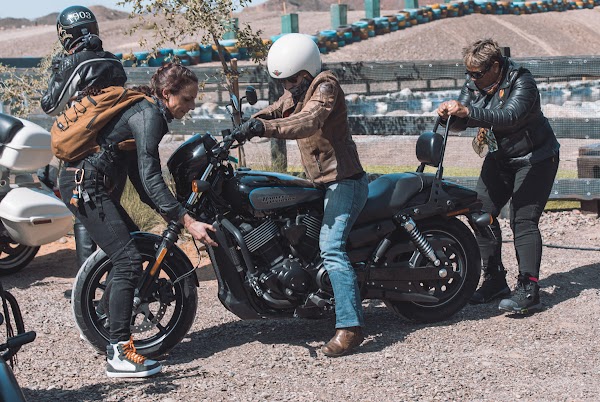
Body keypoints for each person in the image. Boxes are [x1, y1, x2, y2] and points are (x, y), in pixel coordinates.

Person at [58, 63, 218, 378]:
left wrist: (173, 217)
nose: (191, 106)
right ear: (167, 93)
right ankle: (119, 353)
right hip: (84, 186)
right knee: (128, 259)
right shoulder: (149, 117)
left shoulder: (143, 112)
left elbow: (143, 185)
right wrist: (186, 220)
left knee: (130, 251)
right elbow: (151, 177)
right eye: (187, 99)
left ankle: (106, 326)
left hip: (84, 184)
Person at [234, 33, 368, 357]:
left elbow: (308, 121)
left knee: (331, 247)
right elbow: (276, 111)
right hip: (321, 183)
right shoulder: (297, 92)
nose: (285, 88)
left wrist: (263, 129)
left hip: (344, 181)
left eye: (289, 81)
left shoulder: (325, 86)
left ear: (304, 75)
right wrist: (245, 125)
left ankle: (350, 327)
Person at [437, 38, 560, 314]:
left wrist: (467, 111)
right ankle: (494, 279)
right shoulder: (475, 81)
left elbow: (510, 116)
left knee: (523, 219)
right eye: (468, 73)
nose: (471, 79)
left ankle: (529, 288)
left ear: (494, 67)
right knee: (480, 212)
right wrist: (450, 116)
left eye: (477, 74)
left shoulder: (521, 81)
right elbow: (464, 120)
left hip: (536, 158)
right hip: (501, 157)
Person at [41, 5, 129, 270]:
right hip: (116, 152)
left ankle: (88, 282)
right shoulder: (114, 61)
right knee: (110, 212)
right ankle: (119, 275)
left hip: (84, 153)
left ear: (65, 35)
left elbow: (50, 105)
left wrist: (58, 71)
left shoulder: (73, 62)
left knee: (83, 215)